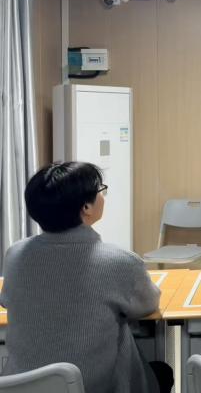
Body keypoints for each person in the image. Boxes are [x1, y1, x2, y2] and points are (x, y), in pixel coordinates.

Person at [0, 162, 173, 393]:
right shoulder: (119, 261)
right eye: (100, 190)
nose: (103, 196)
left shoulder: (15, 254)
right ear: (86, 207)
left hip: (21, 387)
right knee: (161, 371)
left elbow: (7, 300)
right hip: (92, 387)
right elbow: (146, 305)